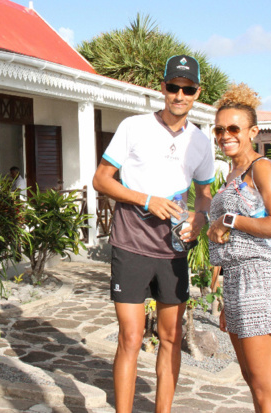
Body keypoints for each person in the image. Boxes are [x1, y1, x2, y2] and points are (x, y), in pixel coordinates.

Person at [92, 55, 215, 413]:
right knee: (130, 338)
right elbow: (101, 179)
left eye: (187, 89)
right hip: (130, 245)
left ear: (197, 93)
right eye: (173, 87)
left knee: (171, 338)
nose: (179, 94)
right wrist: (147, 199)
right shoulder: (134, 127)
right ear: (162, 87)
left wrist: (201, 219)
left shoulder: (200, 142)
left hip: (174, 251)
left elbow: (205, 193)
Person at [206, 83, 271, 412]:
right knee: (252, 380)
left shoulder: (261, 168)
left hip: (261, 278)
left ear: (252, 131)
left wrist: (229, 220)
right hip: (239, 281)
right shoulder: (233, 174)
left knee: (266, 384)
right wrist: (228, 298)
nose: (225, 135)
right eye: (219, 129)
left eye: (233, 128)